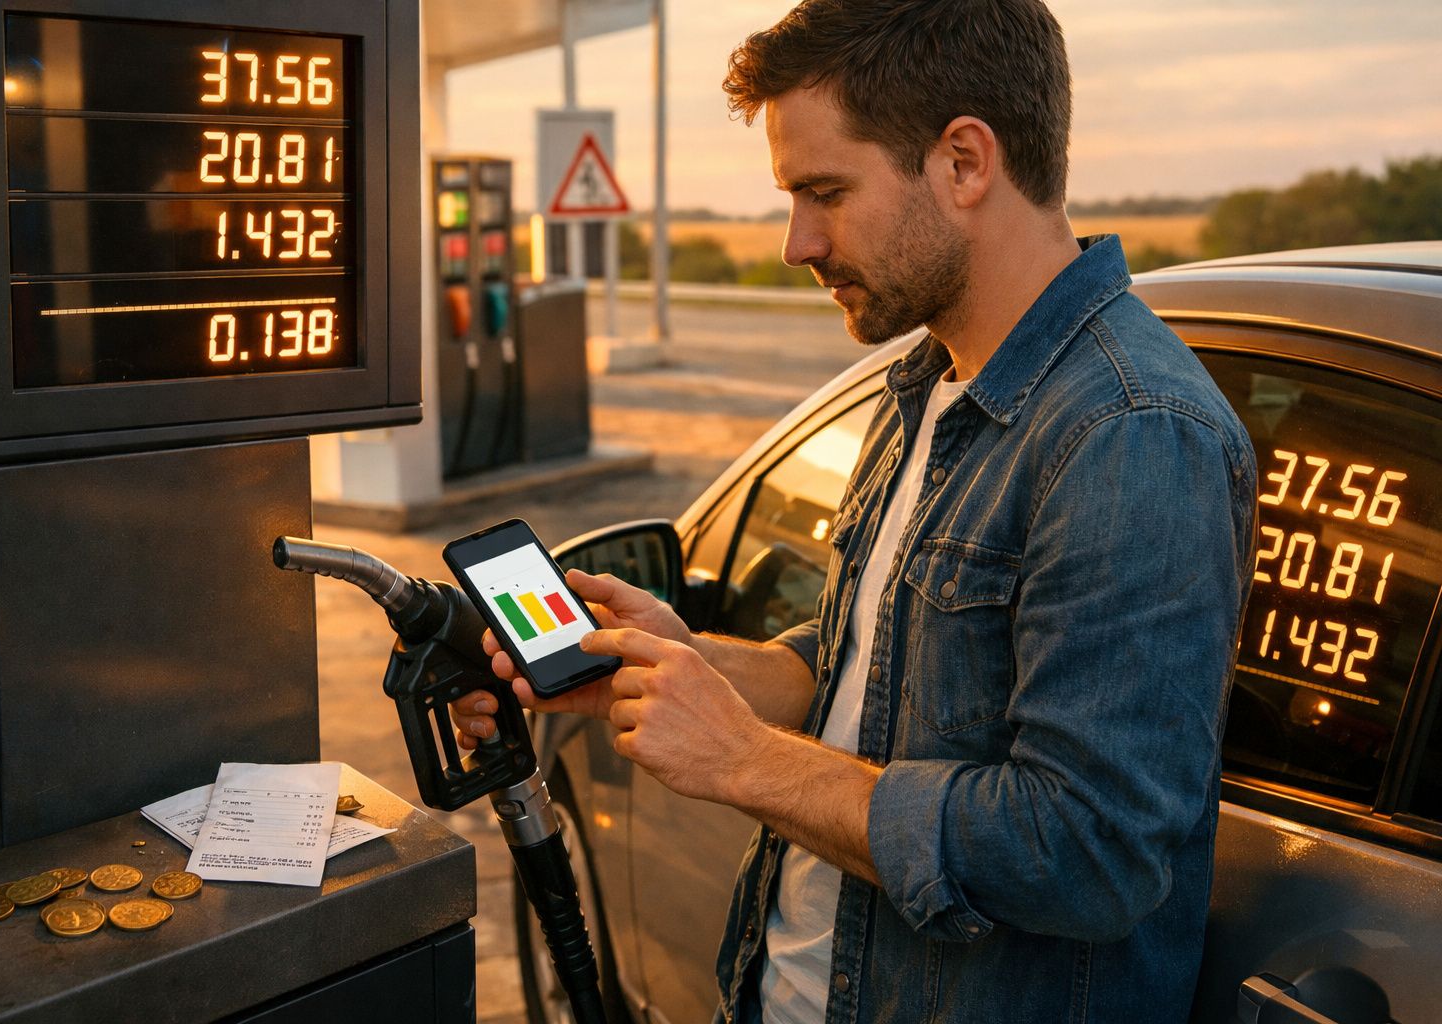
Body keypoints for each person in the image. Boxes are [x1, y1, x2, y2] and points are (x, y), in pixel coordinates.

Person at [456, 1, 1257, 1020]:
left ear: (965, 162)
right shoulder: (929, 384)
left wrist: (746, 763)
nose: (796, 241)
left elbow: (1087, 850)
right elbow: (873, 670)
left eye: (824, 191)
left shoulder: (1132, 432)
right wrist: (692, 664)